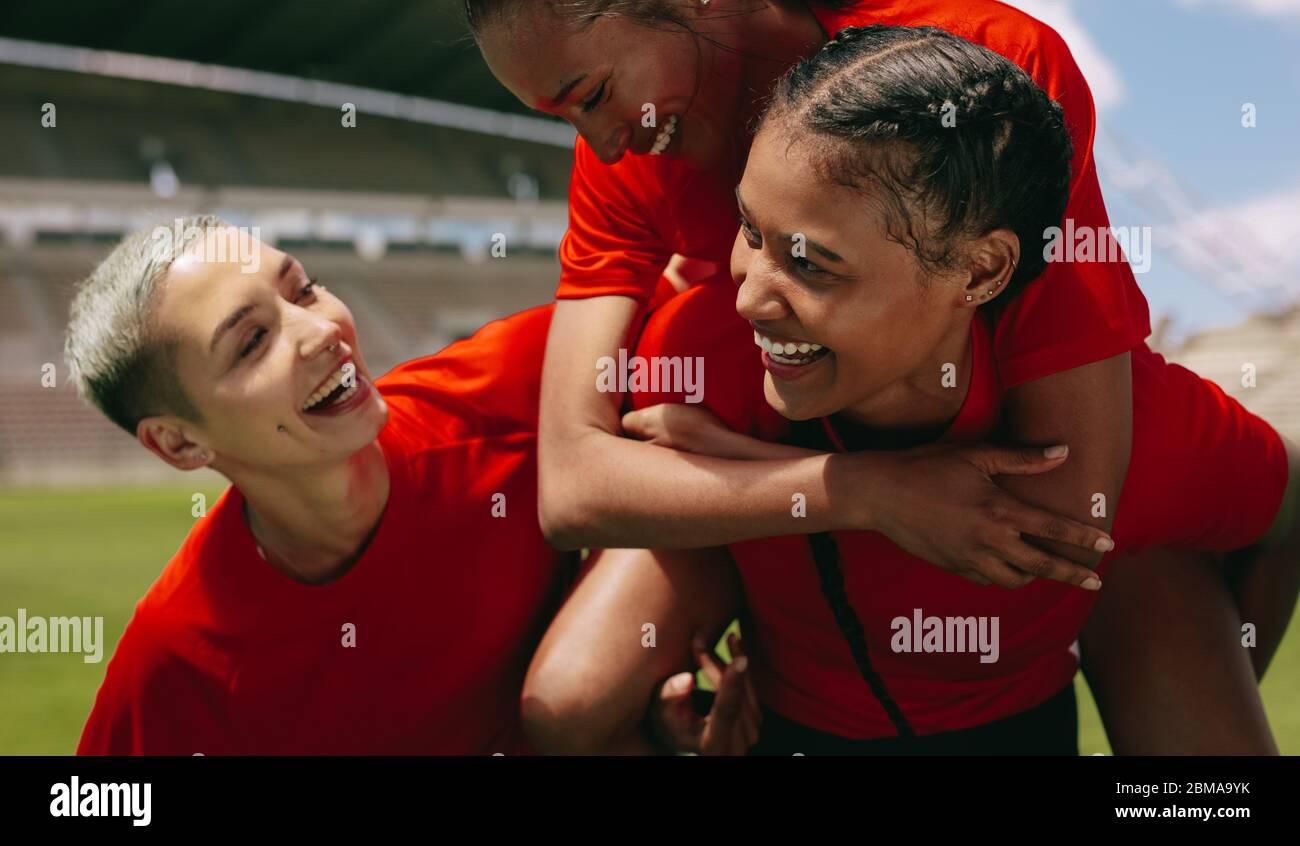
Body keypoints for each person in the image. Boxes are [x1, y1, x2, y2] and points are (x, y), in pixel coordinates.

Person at [521, 24, 1298, 754]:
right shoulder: (696, 357)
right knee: (568, 704)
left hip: (1012, 731)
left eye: (813, 264)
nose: (750, 296)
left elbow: (1286, 506)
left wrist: (1219, 675)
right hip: (786, 723)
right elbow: (582, 500)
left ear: (982, 270)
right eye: (749, 231)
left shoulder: (1125, 442)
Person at [68, 217, 754, 754]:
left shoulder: (503, 390)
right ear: (180, 442)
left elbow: (714, 292)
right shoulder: (177, 660)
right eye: (251, 343)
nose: (319, 330)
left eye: (302, 289)